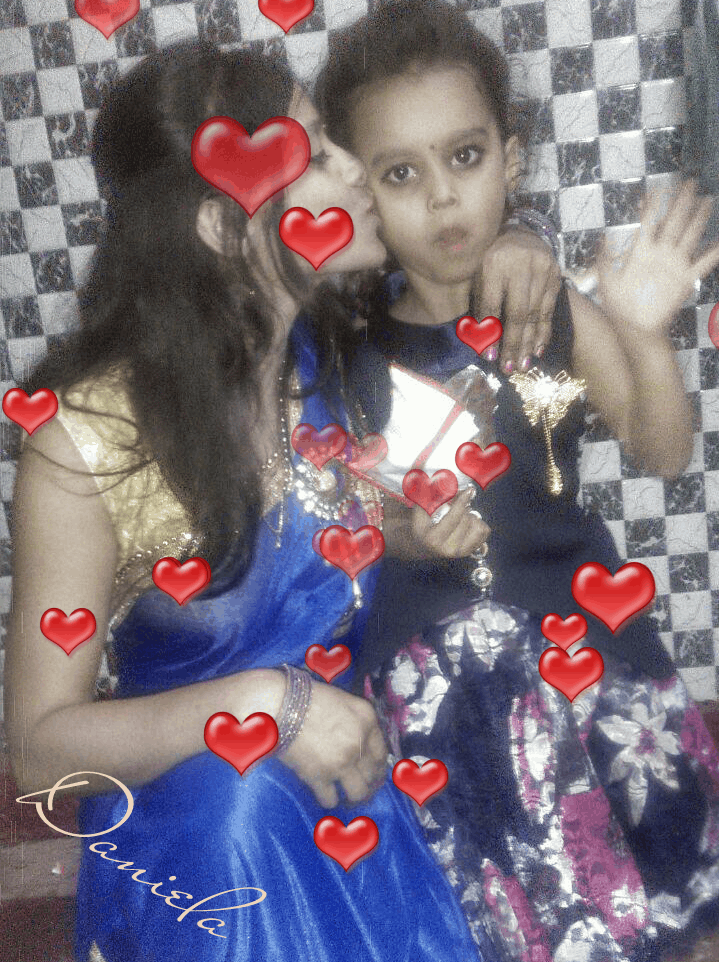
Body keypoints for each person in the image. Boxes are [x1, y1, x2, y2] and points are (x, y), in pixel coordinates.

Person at [5, 39, 516, 962]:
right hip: (209, 833)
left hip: (344, 780)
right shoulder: (87, 443)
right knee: (241, 802)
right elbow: (41, 752)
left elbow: (464, 260)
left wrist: (401, 534)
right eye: (316, 152)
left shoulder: (323, 358)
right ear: (222, 224)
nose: (354, 168)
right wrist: (269, 704)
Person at [317, 2, 719, 960]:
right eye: (400, 174)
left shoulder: (551, 310)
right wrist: (400, 532)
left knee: (676, 914)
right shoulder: (340, 347)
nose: (443, 200)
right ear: (359, 191)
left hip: (593, 652)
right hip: (444, 695)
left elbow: (661, 449)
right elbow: (331, 513)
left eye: (464, 157)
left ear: (511, 156)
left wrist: (640, 331)